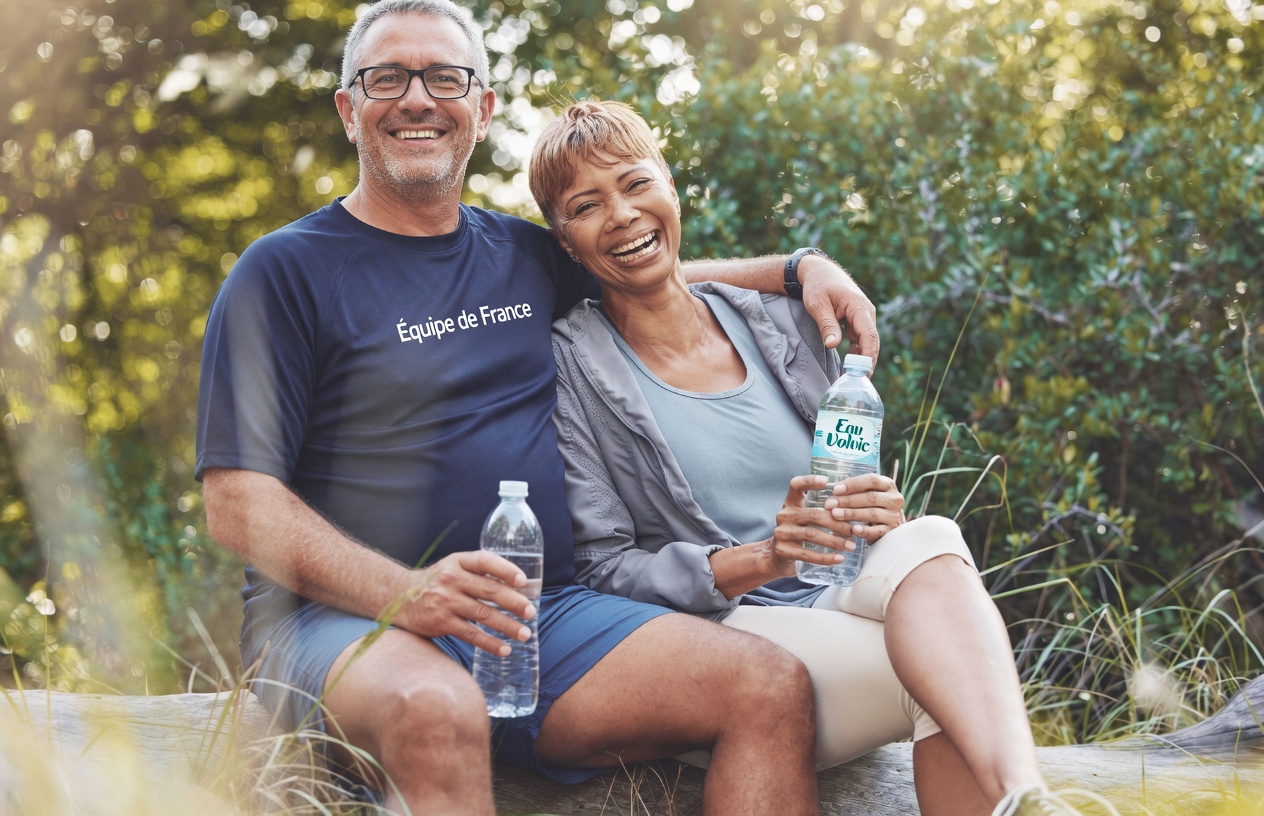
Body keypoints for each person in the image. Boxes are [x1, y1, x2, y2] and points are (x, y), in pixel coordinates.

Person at [195, 3, 882, 814]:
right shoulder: (281, 274)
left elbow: (650, 268)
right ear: (350, 109)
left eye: (445, 77)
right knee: (437, 708)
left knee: (765, 684)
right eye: (387, 77)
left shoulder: (522, 254)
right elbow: (236, 505)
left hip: (542, 616)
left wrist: (802, 266)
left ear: (481, 109)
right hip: (339, 621)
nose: (418, 98)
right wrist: (408, 594)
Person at [532, 100, 1122, 816]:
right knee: (947, 682)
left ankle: (1022, 798)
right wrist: (763, 557)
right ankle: (1023, 797)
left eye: (634, 183)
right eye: (587, 205)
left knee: (931, 534)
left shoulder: (777, 318)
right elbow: (604, 570)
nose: (622, 214)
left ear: (670, 186)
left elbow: (852, 486)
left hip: (840, 591)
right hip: (724, 636)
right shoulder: (570, 368)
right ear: (565, 243)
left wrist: (877, 511)